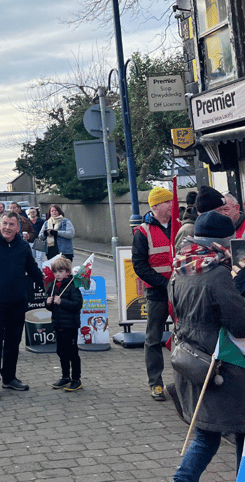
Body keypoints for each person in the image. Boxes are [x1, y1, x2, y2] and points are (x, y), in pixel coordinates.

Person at [169, 211, 245, 481]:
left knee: (206, 434)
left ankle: (183, 479)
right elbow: (239, 323)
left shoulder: (180, 266)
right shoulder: (217, 274)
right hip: (223, 367)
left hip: (192, 359)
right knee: (241, 433)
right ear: (223, 241)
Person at [0, 211, 44, 400]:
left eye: (11, 224)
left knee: (13, 343)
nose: (7, 228)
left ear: (18, 228)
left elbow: (32, 269)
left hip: (18, 302)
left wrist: (48, 287)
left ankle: (9, 378)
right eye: (4, 224)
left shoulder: (23, 246)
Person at [131, 187, 172, 402]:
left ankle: (185, 381)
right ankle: (156, 383)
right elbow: (140, 265)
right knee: (153, 338)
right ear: (155, 206)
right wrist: (165, 284)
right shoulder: (143, 232)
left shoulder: (181, 226)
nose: (171, 204)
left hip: (181, 291)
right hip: (158, 292)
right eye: (167, 202)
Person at [46, 257, 83, 392]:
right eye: (55, 272)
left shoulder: (73, 285)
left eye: (61, 271)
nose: (58, 274)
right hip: (58, 324)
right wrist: (48, 302)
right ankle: (65, 376)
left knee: (72, 352)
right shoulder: (53, 286)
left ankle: (76, 379)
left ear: (67, 272)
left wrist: (62, 302)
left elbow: (77, 304)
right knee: (61, 351)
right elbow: (50, 308)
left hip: (70, 325)